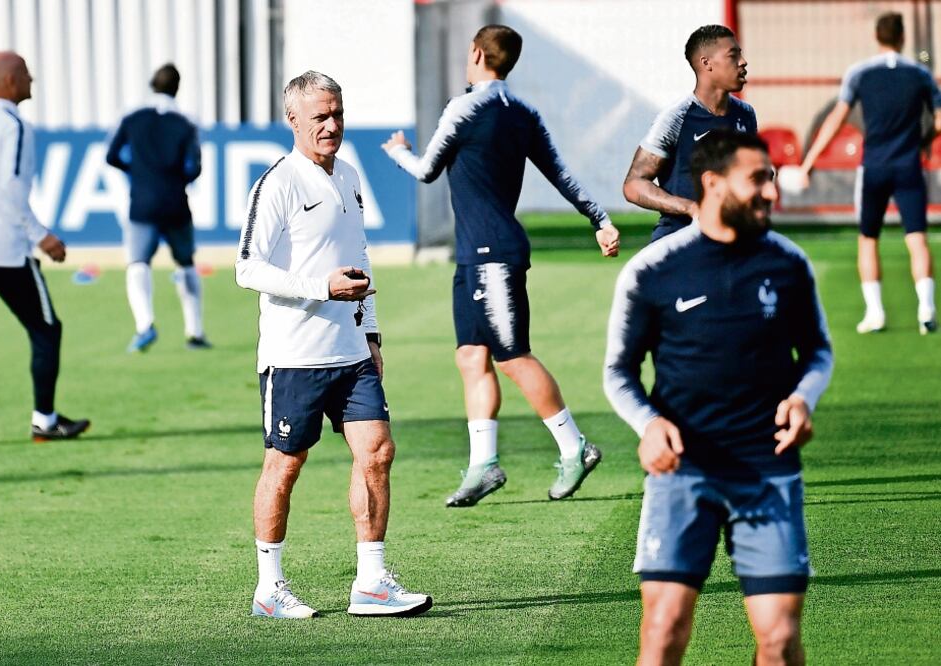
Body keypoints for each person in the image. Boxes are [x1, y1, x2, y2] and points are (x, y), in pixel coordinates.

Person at [605, 130, 833, 666]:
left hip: (767, 468)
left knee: (778, 639)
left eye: (771, 180)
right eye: (758, 180)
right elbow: (619, 372)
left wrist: (803, 399)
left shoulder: (788, 264)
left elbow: (818, 353)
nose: (772, 193)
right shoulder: (653, 269)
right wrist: (648, 424)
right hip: (683, 471)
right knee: (663, 632)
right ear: (712, 184)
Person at [382, 24, 620, 507]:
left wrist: (398, 152)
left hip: (491, 254)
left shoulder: (465, 108)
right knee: (471, 355)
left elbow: (427, 170)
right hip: (477, 254)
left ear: (475, 52)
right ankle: (483, 465)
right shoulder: (524, 112)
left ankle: (575, 446)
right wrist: (598, 217)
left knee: (512, 357)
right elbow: (560, 172)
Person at [236, 71, 432, 619]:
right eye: (319, 116)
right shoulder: (276, 184)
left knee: (377, 453)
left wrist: (369, 330)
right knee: (285, 466)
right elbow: (246, 268)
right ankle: (268, 588)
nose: (331, 125)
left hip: (351, 354)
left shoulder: (348, 174)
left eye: (337, 113)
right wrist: (319, 288)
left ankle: (370, 583)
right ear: (293, 120)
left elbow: (360, 258)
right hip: (294, 357)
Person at [0, 52, 90, 446]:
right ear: (8, 80)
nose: (32, 79)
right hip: (5, 252)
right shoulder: (15, 127)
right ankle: (45, 419)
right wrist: (42, 235)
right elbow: (10, 189)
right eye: (25, 72)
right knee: (46, 331)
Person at [796, 12, 939, 334]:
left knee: (868, 239)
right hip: (909, 167)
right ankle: (926, 309)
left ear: (877, 37)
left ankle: (875, 313)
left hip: (873, 167)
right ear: (902, 38)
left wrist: (809, 163)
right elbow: (940, 121)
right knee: (916, 238)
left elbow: (836, 119)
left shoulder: (859, 73)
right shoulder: (921, 74)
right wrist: (923, 141)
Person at [106, 63, 210, 352]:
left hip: (142, 203)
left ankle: (144, 325)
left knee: (138, 264)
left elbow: (111, 155)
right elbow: (196, 166)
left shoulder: (133, 117)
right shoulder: (185, 122)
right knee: (186, 263)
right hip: (176, 202)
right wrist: (176, 180)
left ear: (152, 84)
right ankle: (195, 332)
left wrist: (138, 172)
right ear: (178, 87)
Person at [623, 24, 756, 242]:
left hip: (730, 240)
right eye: (733, 55)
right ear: (707, 64)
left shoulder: (746, 114)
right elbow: (634, 184)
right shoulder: (676, 117)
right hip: (680, 240)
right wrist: (691, 208)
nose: (743, 62)